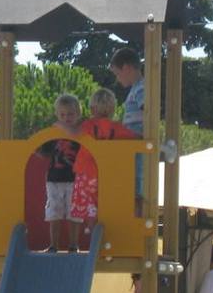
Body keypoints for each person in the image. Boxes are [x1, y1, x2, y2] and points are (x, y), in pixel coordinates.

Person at [70, 88, 139, 238]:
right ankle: (103, 235)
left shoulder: (86, 126)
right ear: (113, 109)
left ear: (92, 108)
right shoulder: (117, 128)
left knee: (90, 204)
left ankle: (91, 228)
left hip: (86, 172)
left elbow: (72, 133)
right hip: (107, 174)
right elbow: (135, 139)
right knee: (106, 203)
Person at [38, 94, 81, 253]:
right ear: (57, 115)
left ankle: (74, 244)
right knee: (53, 212)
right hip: (54, 179)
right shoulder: (53, 134)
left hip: (75, 179)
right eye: (62, 114)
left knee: (74, 212)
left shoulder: (80, 134)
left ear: (78, 114)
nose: (66, 118)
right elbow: (43, 151)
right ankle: (53, 245)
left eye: (70, 114)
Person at [109, 48, 144, 214]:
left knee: (136, 183)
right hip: (132, 143)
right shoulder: (135, 88)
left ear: (126, 68)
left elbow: (148, 111)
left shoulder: (141, 88)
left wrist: (139, 137)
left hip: (137, 145)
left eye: (117, 74)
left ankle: (136, 214)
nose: (117, 79)